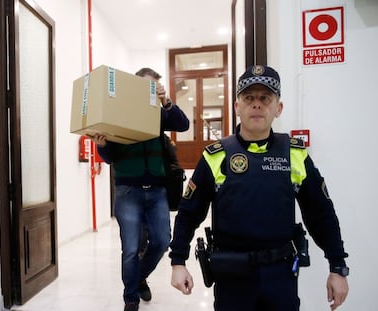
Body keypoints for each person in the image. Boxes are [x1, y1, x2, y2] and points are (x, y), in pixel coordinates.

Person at [169, 65, 349, 311]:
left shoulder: (294, 154)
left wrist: (337, 267)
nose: (257, 104)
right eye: (249, 98)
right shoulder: (216, 156)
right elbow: (189, 213)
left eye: (265, 98)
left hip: (280, 274)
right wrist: (178, 261)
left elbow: (321, 213)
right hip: (231, 274)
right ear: (237, 107)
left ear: (278, 108)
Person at [91, 67, 189, 311]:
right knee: (131, 249)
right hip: (128, 191)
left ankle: (139, 276)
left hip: (157, 191)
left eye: (154, 86)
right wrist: (101, 146)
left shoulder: (158, 113)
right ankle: (131, 298)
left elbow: (183, 124)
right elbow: (110, 156)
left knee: (161, 242)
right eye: (146, 86)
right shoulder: (117, 112)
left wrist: (166, 101)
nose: (150, 91)